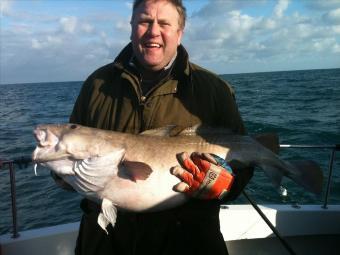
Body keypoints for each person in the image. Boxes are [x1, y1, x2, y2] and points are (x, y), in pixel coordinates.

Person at [63, 0, 253, 254]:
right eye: (144, 21)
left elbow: (245, 161)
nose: (153, 31)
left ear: (179, 32)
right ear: (131, 27)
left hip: (189, 244)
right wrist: (58, 169)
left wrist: (227, 184)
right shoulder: (96, 85)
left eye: (164, 23)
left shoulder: (214, 89)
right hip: (105, 244)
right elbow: (65, 154)